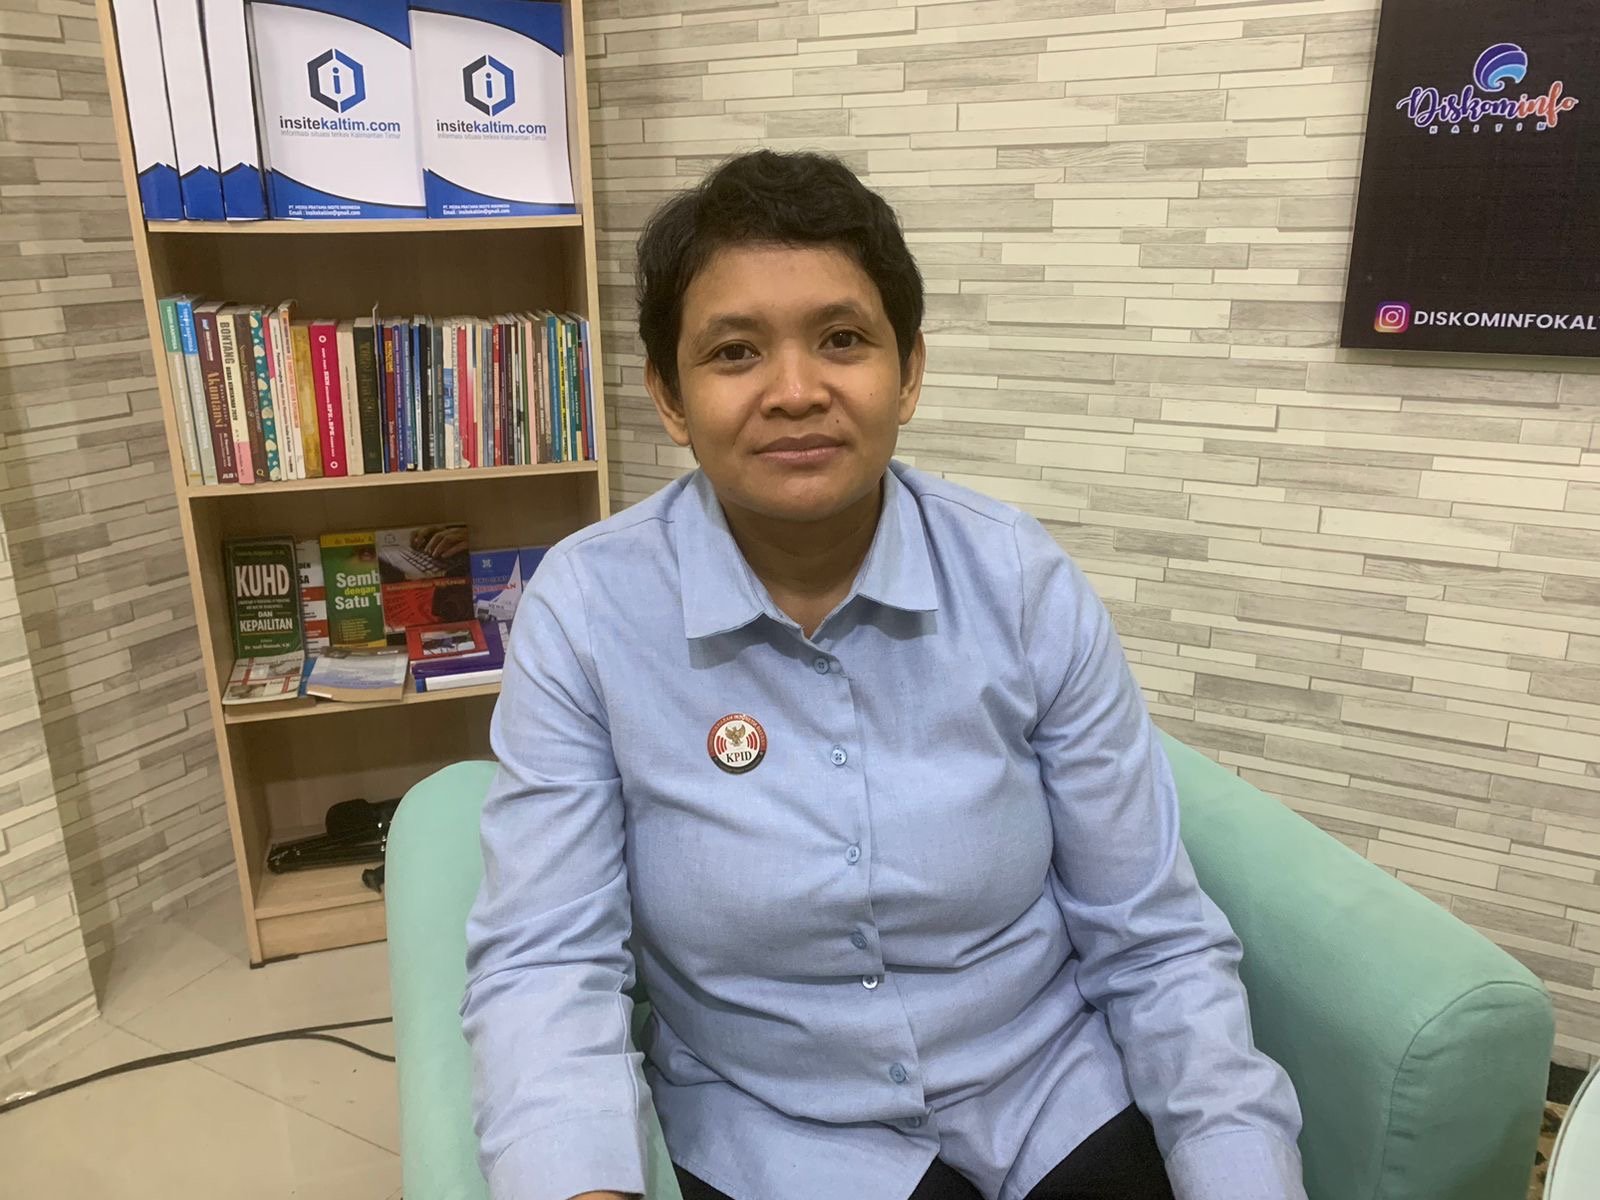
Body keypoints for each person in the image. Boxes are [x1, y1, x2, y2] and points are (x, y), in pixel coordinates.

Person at [463, 150, 1307, 1200]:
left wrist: (1240, 1170)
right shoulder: (588, 610)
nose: (795, 392)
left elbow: (1153, 937)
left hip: (1050, 1093)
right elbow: (547, 957)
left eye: (842, 340)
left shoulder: (1019, 580)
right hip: (773, 1128)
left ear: (907, 373)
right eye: (734, 352)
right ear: (669, 398)